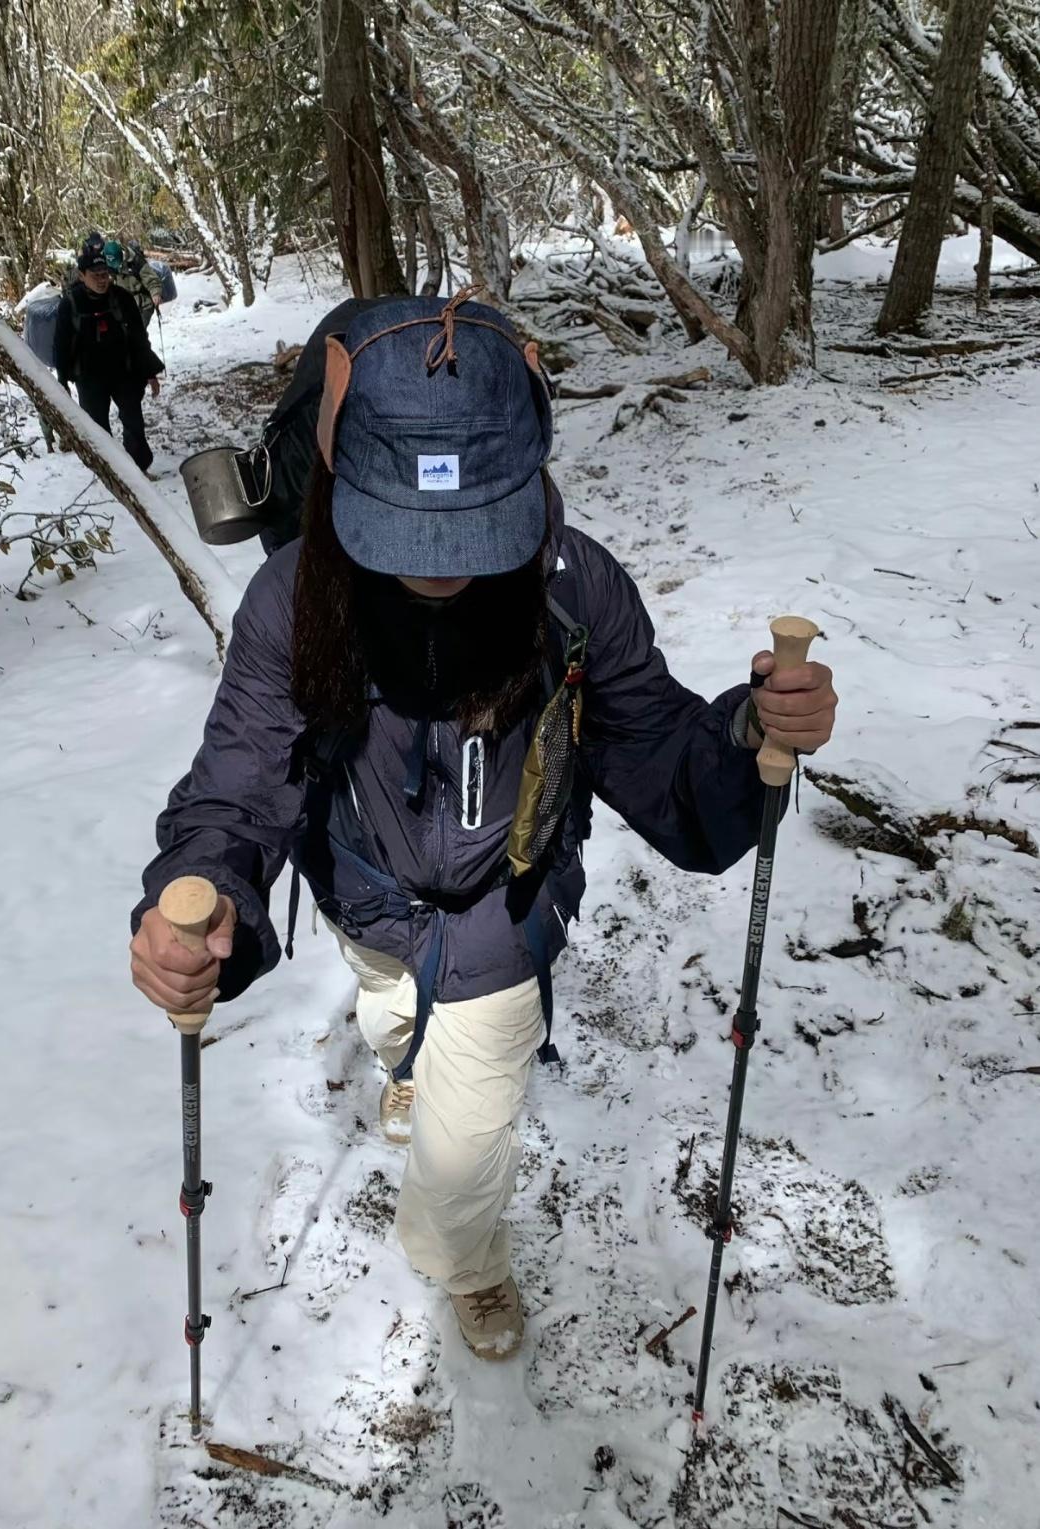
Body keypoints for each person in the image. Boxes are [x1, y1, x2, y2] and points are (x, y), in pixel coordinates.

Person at [129, 292, 838, 1362]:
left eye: (470, 528)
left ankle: (468, 1259)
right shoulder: (294, 597)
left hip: (505, 915)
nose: (440, 562)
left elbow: (651, 751)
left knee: (458, 1159)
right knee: (387, 1017)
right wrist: (200, 890)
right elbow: (237, 777)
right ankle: (406, 1058)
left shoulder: (571, 589)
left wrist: (746, 732)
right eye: (408, 531)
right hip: (361, 892)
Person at [54, 234, 164, 473]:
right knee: (97, 429)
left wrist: (150, 372)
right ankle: (110, 474)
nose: (102, 281)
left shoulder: (122, 299)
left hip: (124, 372)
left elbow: (138, 339)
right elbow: (60, 345)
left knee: (134, 422)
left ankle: (139, 470)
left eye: (105, 275)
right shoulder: (71, 304)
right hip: (89, 377)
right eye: (96, 276)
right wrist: (62, 380)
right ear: (82, 276)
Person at [107, 238, 165, 329]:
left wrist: (155, 293)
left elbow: (152, 280)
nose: (117, 267)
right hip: (124, 305)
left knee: (137, 333)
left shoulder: (136, 261)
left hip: (144, 305)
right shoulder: (106, 262)